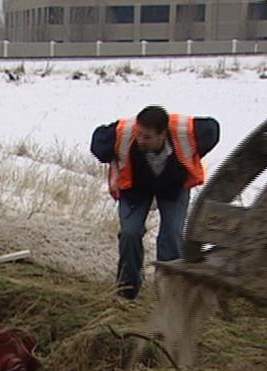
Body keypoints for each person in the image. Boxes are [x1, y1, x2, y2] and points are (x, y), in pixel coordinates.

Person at [91, 105, 220, 299]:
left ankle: (168, 292)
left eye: (148, 137)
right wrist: (112, 161)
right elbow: (98, 145)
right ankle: (127, 290)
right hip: (135, 186)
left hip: (173, 185)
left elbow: (213, 130)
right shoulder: (124, 134)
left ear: (163, 134)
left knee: (172, 234)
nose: (141, 140)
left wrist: (195, 154)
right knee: (130, 233)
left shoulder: (187, 133)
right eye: (139, 134)